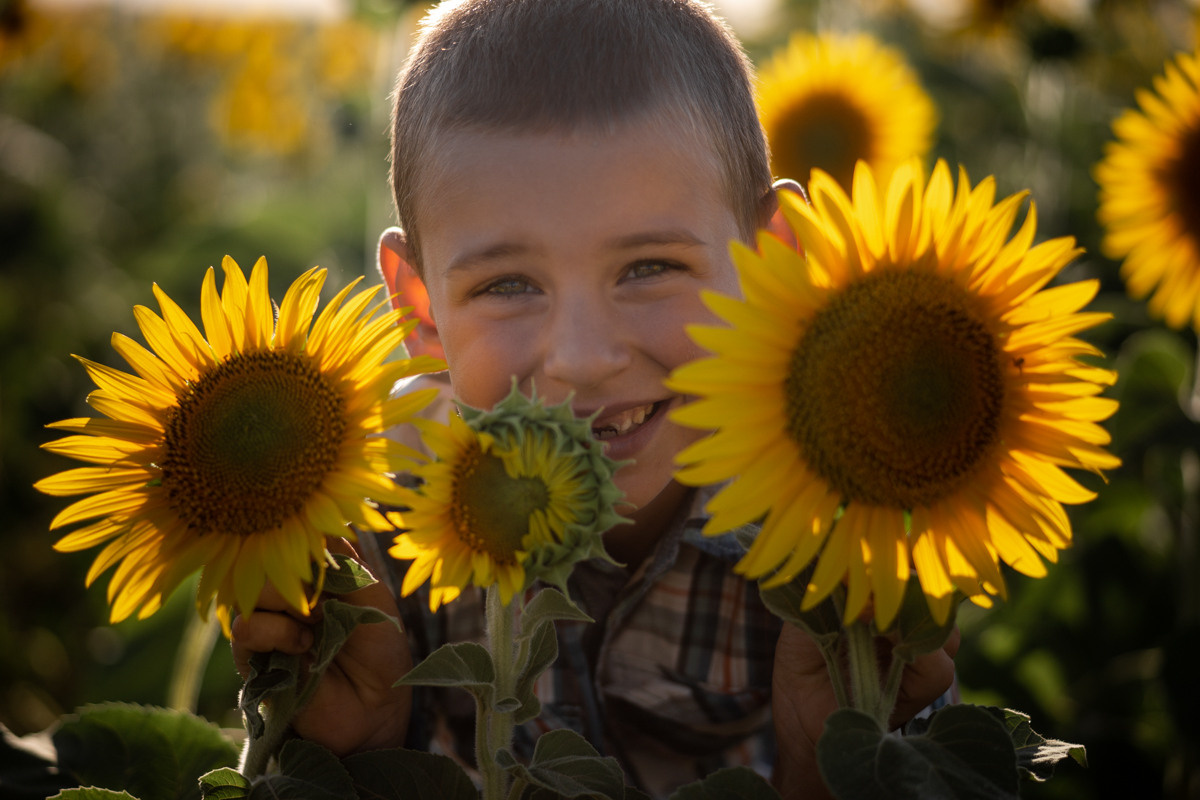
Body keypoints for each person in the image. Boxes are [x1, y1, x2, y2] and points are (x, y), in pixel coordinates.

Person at [230, 1, 959, 797]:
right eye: (507, 285)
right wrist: (360, 753)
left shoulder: (839, 534)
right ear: (420, 309)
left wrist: (829, 760)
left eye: (649, 268)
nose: (582, 357)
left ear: (768, 261)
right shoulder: (370, 545)